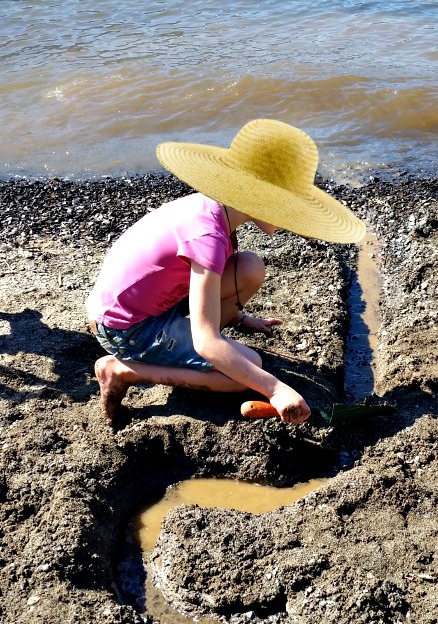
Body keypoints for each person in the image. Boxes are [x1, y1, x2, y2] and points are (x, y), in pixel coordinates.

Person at [85, 119, 365, 429]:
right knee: (245, 371)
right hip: (126, 328)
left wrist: (242, 320)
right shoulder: (207, 237)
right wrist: (276, 389)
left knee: (249, 267)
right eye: (288, 205)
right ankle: (123, 371)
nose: (291, 217)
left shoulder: (213, 210)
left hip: (146, 305)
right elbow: (206, 343)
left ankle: (199, 343)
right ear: (261, 197)